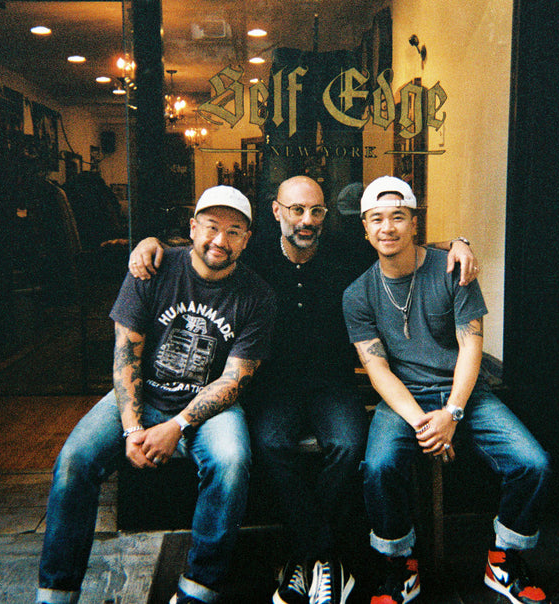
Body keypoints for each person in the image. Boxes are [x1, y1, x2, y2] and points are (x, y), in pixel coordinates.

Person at [129, 176, 478, 604]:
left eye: (315, 211)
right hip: (272, 382)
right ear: (277, 212)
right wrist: (149, 242)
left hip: (333, 381)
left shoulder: (345, 249)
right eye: (296, 210)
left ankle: (301, 557)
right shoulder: (251, 252)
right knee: (271, 444)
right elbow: (200, 251)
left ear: (325, 214)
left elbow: (402, 240)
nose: (306, 220)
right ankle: (322, 556)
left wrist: (458, 243)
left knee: (349, 446)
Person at [37, 185, 277, 604]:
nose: (220, 240)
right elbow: (125, 356)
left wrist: (178, 425)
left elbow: (234, 379)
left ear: (247, 239)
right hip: (141, 395)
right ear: (192, 228)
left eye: (235, 231)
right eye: (212, 227)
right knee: (74, 462)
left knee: (232, 461)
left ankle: (198, 588)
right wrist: (132, 429)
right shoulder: (153, 270)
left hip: (206, 408)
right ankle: (56, 593)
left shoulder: (258, 296)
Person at [342, 176, 551, 604]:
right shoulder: (357, 293)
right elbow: (377, 369)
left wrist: (452, 414)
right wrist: (426, 426)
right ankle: (400, 564)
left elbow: (471, 344)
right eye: (377, 219)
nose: (387, 228)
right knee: (378, 468)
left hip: (466, 394)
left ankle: (504, 558)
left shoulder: (453, 268)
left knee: (533, 463)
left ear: (413, 223)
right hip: (405, 401)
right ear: (365, 228)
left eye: (397, 217)